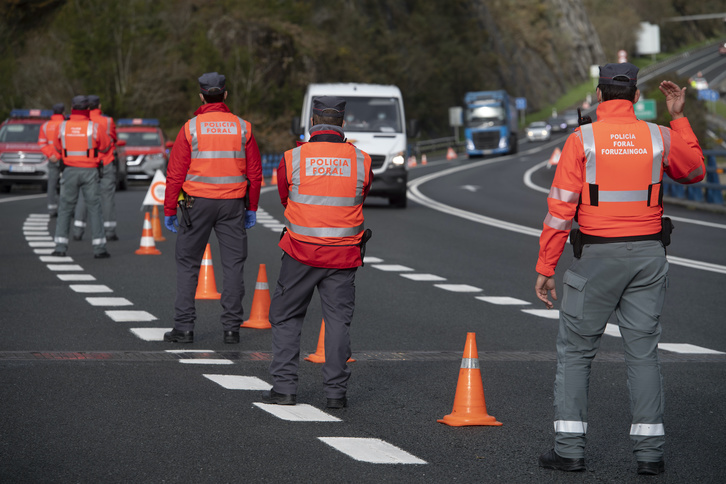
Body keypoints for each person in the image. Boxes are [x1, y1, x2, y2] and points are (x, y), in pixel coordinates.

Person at [534, 63, 705, 476]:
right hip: (649, 257)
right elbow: (696, 171)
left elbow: (560, 211)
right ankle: (650, 455)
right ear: (634, 97)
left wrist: (546, 265)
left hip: (596, 258)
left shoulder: (583, 139)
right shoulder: (658, 136)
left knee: (576, 353)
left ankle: (570, 450)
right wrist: (678, 116)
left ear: (598, 94)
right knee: (643, 354)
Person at [261, 96, 373, 409]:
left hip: (300, 253)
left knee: (287, 316)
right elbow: (361, 194)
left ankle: (284, 389)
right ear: (342, 123)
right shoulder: (362, 160)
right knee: (337, 322)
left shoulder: (293, 157)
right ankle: (336, 394)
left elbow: (285, 196)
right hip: (343, 254)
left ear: (312, 123)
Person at [162, 72, 262, 345]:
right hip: (232, 205)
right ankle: (231, 329)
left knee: (187, 265)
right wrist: (251, 207)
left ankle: (183, 329)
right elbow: (254, 172)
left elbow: (175, 174)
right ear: (225, 95)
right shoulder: (244, 128)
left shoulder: (190, 128)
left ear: (202, 95)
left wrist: (170, 209)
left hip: (196, 206)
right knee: (233, 266)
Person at [50, 95, 112, 258]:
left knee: (65, 208)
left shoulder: (63, 127)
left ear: (72, 109)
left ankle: (60, 247)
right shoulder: (94, 127)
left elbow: (57, 146)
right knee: (94, 208)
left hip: (69, 170)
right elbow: (106, 146)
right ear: (87, 110)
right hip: (90, 171)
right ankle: (99, 249)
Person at [72, 95, 119, 241]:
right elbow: (112, 140)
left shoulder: (82, 122)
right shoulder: (108, 121)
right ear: (99, 106)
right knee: (107, 196)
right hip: (106, 163)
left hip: (88, 163)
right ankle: (109, 230)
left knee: (83, 195)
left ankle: (78, 230)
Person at [38, 103, 65, 217]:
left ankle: (51, 209)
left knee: (52, 184)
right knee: (67, 184)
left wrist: (50, 155)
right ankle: (66, 208)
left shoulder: (45, 126)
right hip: (65, 159)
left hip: (52, 158)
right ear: (63, 112)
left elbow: (42, 143)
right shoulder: (66, 124)